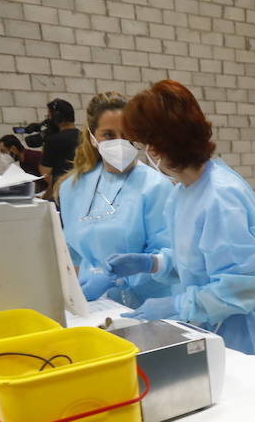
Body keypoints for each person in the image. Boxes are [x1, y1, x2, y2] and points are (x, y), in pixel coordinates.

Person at [109, 80, 255, 374]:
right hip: (215, 324)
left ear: (158, 146)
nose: (141, 152)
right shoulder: (183, 192)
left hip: (250, 331)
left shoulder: (221, 197)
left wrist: (176, 305)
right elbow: (195, 262)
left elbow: (239, 288)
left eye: (142, 143)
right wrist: (153, 263)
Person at [55, 92, 174, 306]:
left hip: (147, 305)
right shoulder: (71, 188)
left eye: (126, 134)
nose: (120, 143)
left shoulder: (155, 187)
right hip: (94, 306)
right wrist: (76, 291)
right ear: (93, 137)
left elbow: (168, 257)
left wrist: (116, 278)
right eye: (108, 135)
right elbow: (71, 254)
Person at [39, 98, 80, 197]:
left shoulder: (53, 140)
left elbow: (45, 173)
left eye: (49, 116)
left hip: (64, 194)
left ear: (56, 117)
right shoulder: (85, 137)